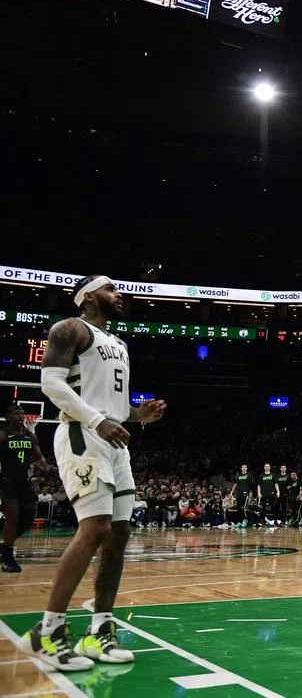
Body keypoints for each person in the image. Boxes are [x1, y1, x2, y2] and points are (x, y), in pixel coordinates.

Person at [18, 275, 167, 670]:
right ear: (88, 296)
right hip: (81, 432)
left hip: (112, 440)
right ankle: (47, 631)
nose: (120, 295)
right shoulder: (69, 328)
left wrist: (138, 415)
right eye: (111, 289)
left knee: (119, 534)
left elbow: (111, 401)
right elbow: (51, 384)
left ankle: (99, 631)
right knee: (96, 527)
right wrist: (99, 420)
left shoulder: (118, 343)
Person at [1, 404, 47, 572]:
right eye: (16, 413)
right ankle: (7, 556)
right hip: (6, 481)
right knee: (12, 517)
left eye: (22, 413)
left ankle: (5, 545)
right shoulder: (3, 435)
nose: (20, 416)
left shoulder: (30, 436)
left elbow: (39, 456)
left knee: (28, 518)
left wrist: (44, 464)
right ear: (8, 417)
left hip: (23, 482)